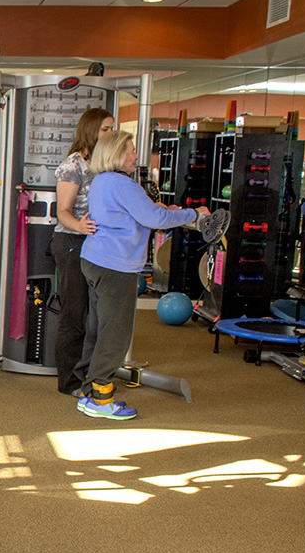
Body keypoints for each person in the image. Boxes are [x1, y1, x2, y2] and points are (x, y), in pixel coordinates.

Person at [75, 130, 208, 420]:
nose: (136, 156)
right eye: (131, 151)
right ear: (115, 154)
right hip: (115, 266)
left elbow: (136, 214)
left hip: (95, 259)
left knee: (98, 327)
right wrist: (193, 214)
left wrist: (159, 210)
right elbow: (156, 219)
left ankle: (87, 392)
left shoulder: (101, 181)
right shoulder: (123, 184)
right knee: (115, 334)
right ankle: (100, 398)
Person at [50, 108, 113, 397]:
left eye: (112, 129)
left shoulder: (104, 164)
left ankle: (90, 373)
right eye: (105, 129)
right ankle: (69, 383)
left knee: (96, 316)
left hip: (98, 246)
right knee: (75, 315)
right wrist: (81, 226)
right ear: (90, 131)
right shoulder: (72, 166)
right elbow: (62, 212)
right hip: (72, 243)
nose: (110, 134)